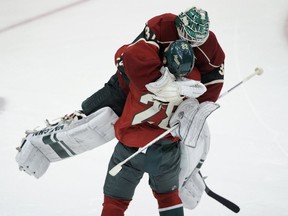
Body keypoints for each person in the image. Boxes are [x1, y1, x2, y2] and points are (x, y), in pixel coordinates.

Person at [99, 8, 224, 216]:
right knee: (168, 198)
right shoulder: (195, 84)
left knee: (115, 202)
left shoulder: (141, 77)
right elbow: (207, 93)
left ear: (163, 58)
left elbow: (124, 55)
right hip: (166, 152)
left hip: (130, 147)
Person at [81, 7, 225, 118]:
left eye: (196, 40)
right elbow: (129, 56)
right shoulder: (161, 25)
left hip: (165, 105)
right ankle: (85, 113)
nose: (190, 43)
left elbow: (214, 80)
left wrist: (195, 109)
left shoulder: (210, 46)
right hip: (133, 85)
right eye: (188, 37)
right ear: (179, 25)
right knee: (117, 89)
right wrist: (162, 82)